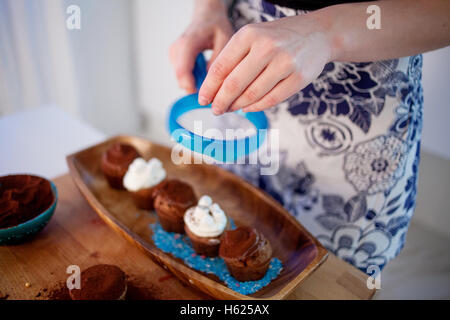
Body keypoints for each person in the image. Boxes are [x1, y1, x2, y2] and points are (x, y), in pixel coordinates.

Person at [169, 0, 450, 273]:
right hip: (244, 72)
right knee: (234, 224)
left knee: (327, 276)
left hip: (360, 101)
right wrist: (210, 9)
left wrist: (329, 34)